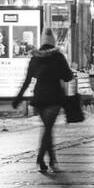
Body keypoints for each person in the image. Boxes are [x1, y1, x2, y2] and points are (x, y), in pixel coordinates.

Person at [12, 30, 74, 174]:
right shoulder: (58, 57)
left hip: (39, 99)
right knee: (48, 130)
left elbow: (27, 80)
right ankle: (41, 158)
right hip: (54, 98)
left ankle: (52, 161)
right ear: (53, 41)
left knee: (47, 129)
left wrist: (18, 98)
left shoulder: (35, 58)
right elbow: (68, 76)